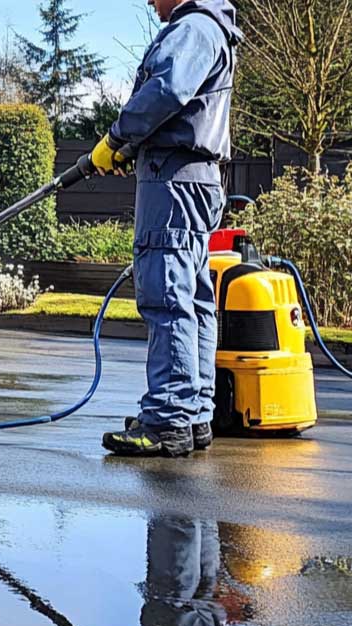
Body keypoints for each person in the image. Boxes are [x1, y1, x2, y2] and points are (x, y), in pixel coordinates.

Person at [91, 0, 244, 457]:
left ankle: (169, 417)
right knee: (194, 300)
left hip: (174, 181)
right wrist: (131, 146)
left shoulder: (193, 27)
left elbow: (168, 89)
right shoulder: (212, 28)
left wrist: (119, 136)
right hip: (194, 178)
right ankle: (193, 413)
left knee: (166, 294)